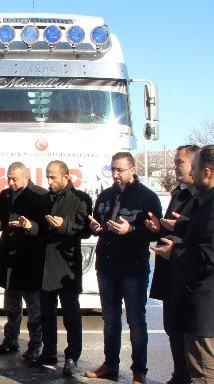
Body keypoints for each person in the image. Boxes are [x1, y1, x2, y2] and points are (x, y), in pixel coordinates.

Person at [153, 145, 214, 384]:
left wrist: (175, 252)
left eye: (195, 167)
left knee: (203, 371)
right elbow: (208, 235)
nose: (191, 170)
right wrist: (182, 227)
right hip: (212, 304)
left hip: (207, 305)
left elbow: (212, 257)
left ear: (207, 172)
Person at [86, 152, 162, 384]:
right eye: (113, 170)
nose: (116, 175)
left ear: (132, 170)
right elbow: (97, 224)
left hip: (133, 268)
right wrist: (95, 227)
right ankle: (111, 364)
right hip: (107, 266)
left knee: (136, 320)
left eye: (120, 170)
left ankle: (139, 371)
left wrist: (131, 231)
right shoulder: (106, 195)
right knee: (110, 318)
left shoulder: (147, 197)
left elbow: (154, 232)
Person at [29, 160, 92, 376]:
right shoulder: (46, 198)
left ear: (66, 176)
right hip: (45, 265)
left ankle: (72, 356)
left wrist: (62, 226)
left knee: (71, 314)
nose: (49, 181)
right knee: (46, 313)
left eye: (53, 177)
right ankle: (49, 353)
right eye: (47, 176)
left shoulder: (79, 198)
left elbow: (85, 231)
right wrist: (30, 227)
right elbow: (41, 228)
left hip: (66, 266)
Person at [145, 144, 199, 384]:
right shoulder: (179, 192)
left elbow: (204, 235)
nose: (175, 166)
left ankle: (187, 377)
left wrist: (182, 228)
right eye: (175, 162)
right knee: (172, 328)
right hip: (169, 272)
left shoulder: (203, 195)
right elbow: (170, 225)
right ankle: (179, 375)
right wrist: (158, 228)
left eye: (180, 162)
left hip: (186, 273)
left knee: (188, 334)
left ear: (196, 165)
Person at [0, 162, 47, 360]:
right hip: (9, 257)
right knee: (11, 305)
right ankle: (10, 339)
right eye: (9, 178)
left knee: (34, 308)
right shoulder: (6, 195)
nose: (11, 182)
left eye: (15, 178)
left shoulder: (40, 195)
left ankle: (36, 344)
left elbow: (45, 228)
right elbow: (2, 219)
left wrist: (30, 226)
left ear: (26, 175)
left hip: (30, 258)